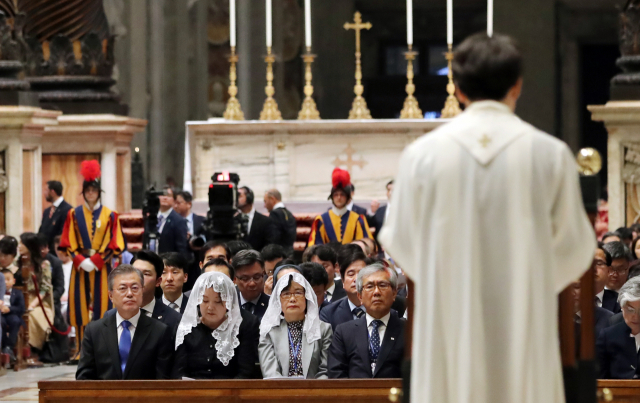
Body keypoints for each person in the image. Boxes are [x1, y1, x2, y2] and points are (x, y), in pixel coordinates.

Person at [378, 33, 595, 403]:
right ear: (518, 85)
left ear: (458, 89)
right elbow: (575, 249)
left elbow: (401, 243)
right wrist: (526, 282)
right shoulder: (550, 154)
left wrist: (448, 279)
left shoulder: (422, 156)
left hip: (448, 324)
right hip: (525, 322)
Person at [58, 160, 126, 351]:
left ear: (99, 192)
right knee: (79, 307)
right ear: (83, 192)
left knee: (102, 305)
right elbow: (67, 241)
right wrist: (80, 260)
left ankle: (103, 348)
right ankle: (80, 349)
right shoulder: (73, 214)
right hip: (79, 265)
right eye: (87, 190)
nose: (90, 194)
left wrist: (96, 261)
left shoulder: (110, 215)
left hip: (101, 265)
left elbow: (115, 242)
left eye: (94, 190)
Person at [76, 265, 174, 380]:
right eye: (122, 288)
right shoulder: (94, 331)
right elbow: (84, 378)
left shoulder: (160, 331)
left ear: (142, 291)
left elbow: (163, 380)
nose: (129, 294)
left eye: (135, 288)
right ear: (111, 295)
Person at [172, 271, 259, 379]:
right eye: (205, 300)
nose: (210, 307)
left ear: (229, 303)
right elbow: (178, 372)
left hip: (231, 392)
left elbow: (245, 372)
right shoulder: (186, 328)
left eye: (218, 301)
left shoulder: (241, 328)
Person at [328, 263, 405, 378]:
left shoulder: (408, 330)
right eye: (369, 286)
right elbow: (336, 374)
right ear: (360, 296)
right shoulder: (344, 332)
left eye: (383, 285)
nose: (376, 292)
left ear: (394, 293)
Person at [259, 272, 332, 379]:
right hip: (278, 392)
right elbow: (270, 373)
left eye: (298, 293)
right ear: (278, 300)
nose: (292, 299)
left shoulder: (323, 329)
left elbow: (324, 371)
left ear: (307, 297)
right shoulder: (268, 331)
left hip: (315, 392)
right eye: (286, 294)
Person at [307, 168, 372, 246]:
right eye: (336, 195)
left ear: (348, 198)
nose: (339, 197)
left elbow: (366, 245)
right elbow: (316, 245)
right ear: (332, 197)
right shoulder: (322, 220)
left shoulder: (357, 220)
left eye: (342, 195)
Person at [18, 233, 53, 363]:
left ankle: (31, 350)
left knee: (31, 317)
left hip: (40, 302)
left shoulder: (44, 264)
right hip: (21, 299)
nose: (19, 246)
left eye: (22, 243)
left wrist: (32, 305)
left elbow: (45, 289)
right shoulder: (19, 263)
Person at [596, 276, 640, 379]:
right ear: (622, 308)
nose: (636, 316)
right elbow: (599, 378)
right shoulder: (608, 336)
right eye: (630, 310)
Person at [319, 247, 369, 331]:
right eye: (351, 274)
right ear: (342, 280)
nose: (356, 279)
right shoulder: (329, 313)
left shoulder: (382, 307)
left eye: (361, 273)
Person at [131, 250, 181, 331]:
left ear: (158, 281)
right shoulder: (113, 315)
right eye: (135, 272)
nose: (138, 278)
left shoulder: (174, 319)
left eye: (146, 274)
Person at [174, 190, 205, 292]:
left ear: (189, 204)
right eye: (174, 203)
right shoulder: (172, 222)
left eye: (179, 203)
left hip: (197, 263)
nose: (175, 206)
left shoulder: (201, 221)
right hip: (179, 262)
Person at [151, 186, 189, 257]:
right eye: (162, 195)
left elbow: (181, 249)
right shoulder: (151, 217)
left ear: (174, 201)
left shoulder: (179, 220)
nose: (165, 198)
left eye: (168, 196)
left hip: (168, 262)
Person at [233, 250, 270, 320]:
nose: (252, 283)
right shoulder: (228, 304)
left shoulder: (273, 305)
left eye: (257, 277)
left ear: (263, 274)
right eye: (245, 278)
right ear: (235, 279)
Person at [239, 186, 277, 252]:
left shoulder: (265, 221)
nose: (235, 198)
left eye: (239, 195)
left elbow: (269, 245)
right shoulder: (233, 220)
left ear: (249, 198)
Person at [38, 180, 73, 253]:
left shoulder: (67, 209)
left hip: (58, 253)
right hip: (44, 253)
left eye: (46, 190)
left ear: (52, 192)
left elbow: (64, 233)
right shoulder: (47, 211)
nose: (44, 193)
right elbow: (41, 231)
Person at [264, 189, 297, 255]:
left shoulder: (275, 214)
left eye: (265, 201)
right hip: (289, 252)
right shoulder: (289, 213)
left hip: (279, 254)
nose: (264, 205)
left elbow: (274, 237)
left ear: (272, 199)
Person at [1, 269, 24, 361]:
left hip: (12, 314)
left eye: (8, 279)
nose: (5, 282)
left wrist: (9, 309)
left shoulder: (18, 293)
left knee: (15, 321)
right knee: (0, 323)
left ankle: (9, 347)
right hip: (1, 315)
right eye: (3, 280)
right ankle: (3, 345)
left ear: (13, 281)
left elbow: (21, 308)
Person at [594, 245, 621, 314]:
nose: (593, 269)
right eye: (588, 264)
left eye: (598, 263)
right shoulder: (568, 301)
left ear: (609, 270)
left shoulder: (619, 302)